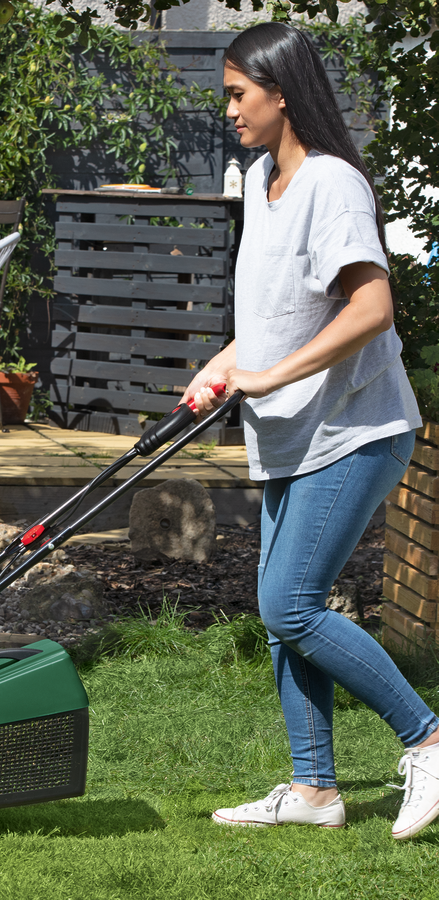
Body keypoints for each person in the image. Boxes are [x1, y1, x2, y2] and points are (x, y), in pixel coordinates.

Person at [181, 21, 439, 840]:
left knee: (289, 605)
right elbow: (277, 317)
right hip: (293, 432)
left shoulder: (333, 184)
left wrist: (268, 377)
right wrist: (225, 365)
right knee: (280, 613)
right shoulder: (262, 180)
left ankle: (429, 739)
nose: (229, 109)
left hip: (355, 428)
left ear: (281, 92)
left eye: (238, 94)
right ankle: (315, 789)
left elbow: (371, 307)